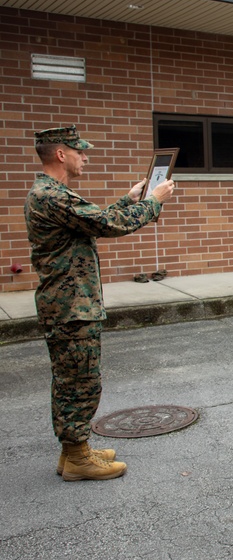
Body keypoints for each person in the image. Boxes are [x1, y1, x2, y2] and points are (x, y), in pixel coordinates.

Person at [24, 125, 176, 481]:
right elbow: (108, 224)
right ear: (61, 154)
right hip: (71, 307)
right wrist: (154, 200)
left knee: (70, 379)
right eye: (80, 151)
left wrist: (130, 198)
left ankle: (73, 451)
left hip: (67, 304)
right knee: (81, 381)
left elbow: (93, 221)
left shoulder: (51, 194)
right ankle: (77, 457)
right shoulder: (52, 195)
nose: (85, 157)